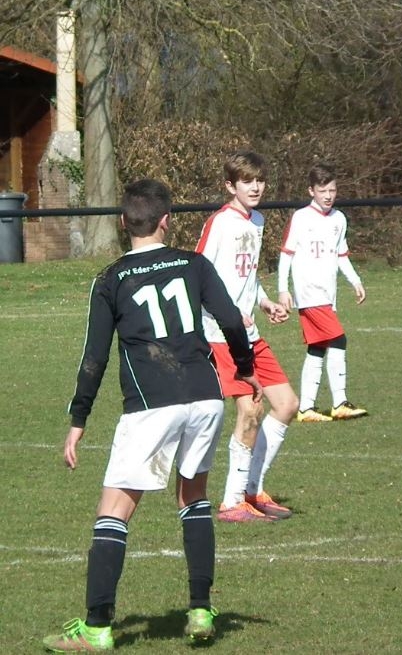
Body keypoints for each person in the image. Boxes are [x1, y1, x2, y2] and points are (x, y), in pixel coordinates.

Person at [42, 179, 262, 652]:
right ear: (166, 221)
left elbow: (94, 357)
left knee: (114, 511)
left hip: (152, 403)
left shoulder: (110, 278)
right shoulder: (194, 263)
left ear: (124, 222)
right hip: (205, 396)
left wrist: (78, 419)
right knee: (193, 497)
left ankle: (97, 628)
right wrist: (244, 368)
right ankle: (200, 610)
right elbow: (231, 319)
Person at [196, 150, 299, 522]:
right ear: (230, 186)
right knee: (251, 408)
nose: (255, 187)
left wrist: (265, 301)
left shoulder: (257, 220)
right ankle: (231, 502)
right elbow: (198, 273)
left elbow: (248, 276)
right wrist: (225, 311)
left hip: (250, 333)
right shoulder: (220, 223)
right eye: (247, 181)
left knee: (286, 404)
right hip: (222, 334)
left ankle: (252, 489)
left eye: (260, 180)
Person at [277, 163, 369, 422]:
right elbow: (286, 254)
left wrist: (355, 281)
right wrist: (283, 289)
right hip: (309, 293)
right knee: (338, 340)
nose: (328, 196)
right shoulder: (301, 217)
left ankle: (306, 408)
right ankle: (339, 402)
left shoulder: (339, 219)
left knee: (317, 347)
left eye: (332, 190)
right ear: (311, 191)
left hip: (328, 295)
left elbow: (341, 255)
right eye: (322, 190)